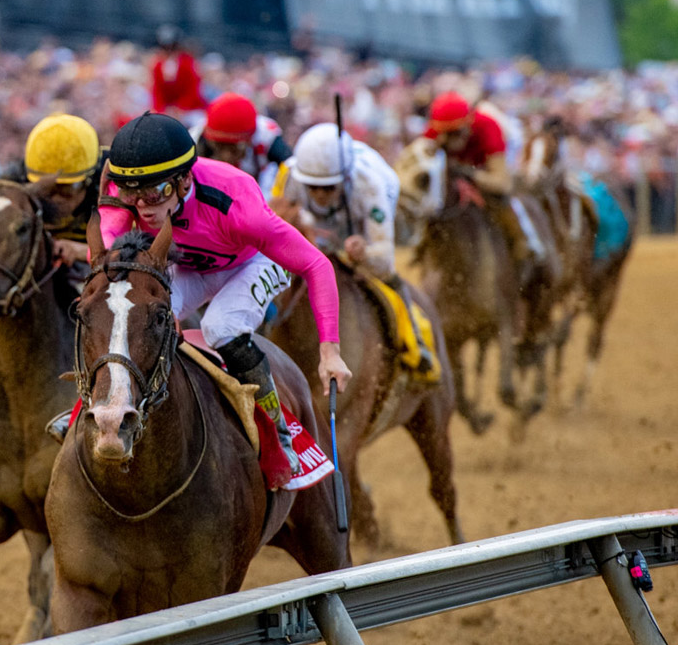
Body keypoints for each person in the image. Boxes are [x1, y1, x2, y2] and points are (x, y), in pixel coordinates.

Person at [96, 111, 351, 486]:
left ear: (184, 181)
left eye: (155, 193)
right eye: (133, 194)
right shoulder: (127, 199)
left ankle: (277, 432)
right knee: (132, 308)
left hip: (251, 262)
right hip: (192, 266)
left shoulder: (239, 207)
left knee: (220, 327)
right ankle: (95, 413)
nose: (143, 207)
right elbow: (105, 259)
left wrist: (329, 351)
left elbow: (316, 265)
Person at [276, 123, 436, 376]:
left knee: (389, 279)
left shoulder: (370, 186)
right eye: (312, 187)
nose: (319, 195)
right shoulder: (289, 175)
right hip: (320, 229)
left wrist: (365, 253)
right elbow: (273, 222)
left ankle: (415, 340)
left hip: (363, 225)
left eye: (328, 188)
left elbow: (384, 257)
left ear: (344, 178)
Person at [424, 92, 549, 284]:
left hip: (488, 167)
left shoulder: (487, 127)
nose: (450, 141)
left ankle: (524, 246)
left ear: (467, 125)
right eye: (445, 135)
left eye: (455, 134)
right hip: (460, 174)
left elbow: (502, 183)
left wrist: (470, 174)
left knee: (504, 202)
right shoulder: (434, 132)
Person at [22, 114, 107, 267]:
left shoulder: (113, 192)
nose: (56, 200)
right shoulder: (17, 192)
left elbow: (134, 250)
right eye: (45, 190)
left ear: (90, 180)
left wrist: (82, 251)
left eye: (67, 189)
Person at [195, 92, 292, 195]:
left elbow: (290, 166)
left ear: (250, 139)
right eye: (220, 146)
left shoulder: (267, 136)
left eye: (233, 148)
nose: (226, 156)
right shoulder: (198, 139)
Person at [150, 26, 206, 125]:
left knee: (198, 122)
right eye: (165, 47)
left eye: (172, 47)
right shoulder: (158, 65)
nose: (169, 51)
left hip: (189, 110)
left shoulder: (187, 63)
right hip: (166, 111)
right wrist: (161, 110)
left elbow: (193, 91)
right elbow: (157, 91)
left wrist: (180, 108)